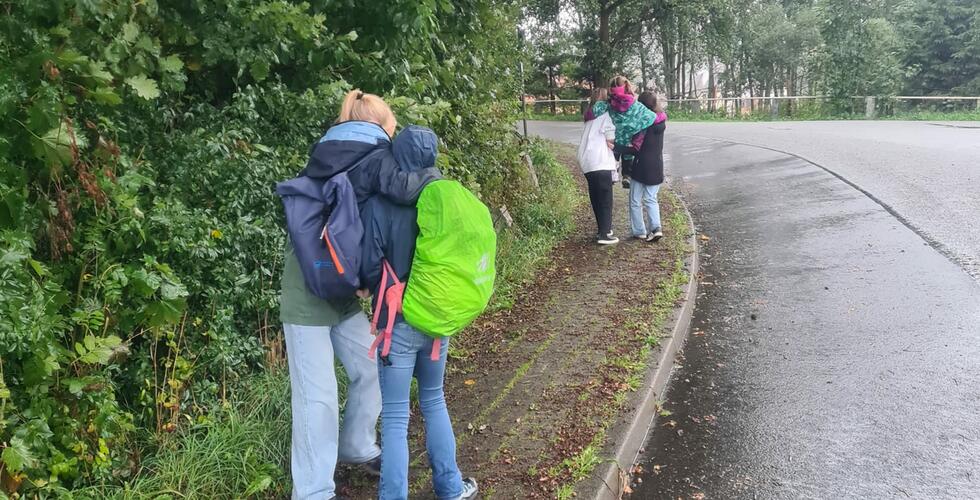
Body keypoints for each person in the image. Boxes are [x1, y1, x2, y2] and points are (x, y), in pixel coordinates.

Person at [279, 89, 441, 500]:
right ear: (385, 125)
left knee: (370, 364)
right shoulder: (374, 150)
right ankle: (313, 491)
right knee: (317, 397)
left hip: (332, 282)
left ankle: (355, 446)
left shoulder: (329, 148)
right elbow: (404, 190)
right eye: (393, 127)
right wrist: (438, 182)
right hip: (310, 292)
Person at [359, 125, 479, 500]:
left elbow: (367, 266)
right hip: (436, 318)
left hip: (396, 324)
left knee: (395, 418)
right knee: (434, 398)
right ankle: (450, 487)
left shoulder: (378, 204)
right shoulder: (442, 197)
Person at [577, 87, 619, 245]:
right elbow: (611, 139)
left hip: (587, 161)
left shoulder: (589, 117)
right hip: (600, 161)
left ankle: (602, 229)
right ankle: (605, 234)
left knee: (596, 197)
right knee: (606, 199)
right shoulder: (605, 116)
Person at [630, 91, 669, 242]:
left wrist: (617, 148)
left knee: (635, 199)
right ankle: (656, 228)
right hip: (657, 165)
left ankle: (639, 231)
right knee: (651, 199)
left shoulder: (642, 124)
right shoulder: (661, 121)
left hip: (641, 165)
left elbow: (635, 148)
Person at [606, 76, 657, 190]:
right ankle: (626, 175)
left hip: (614, 137)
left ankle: (613, 175)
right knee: (628, 155)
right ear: (627, 86)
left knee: (614, 156)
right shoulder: (635, 105)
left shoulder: (610, 104)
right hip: (630, 137)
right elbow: (651, 116)